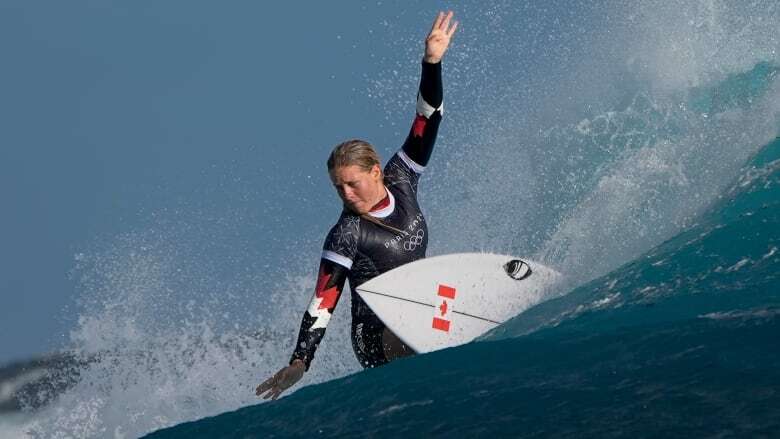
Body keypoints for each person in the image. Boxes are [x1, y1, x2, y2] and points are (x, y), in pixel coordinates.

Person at [256, 11, 458, 401]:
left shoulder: (402, 178)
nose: (346, 194)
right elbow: (323, 300)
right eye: (338, 187)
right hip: (376, 338)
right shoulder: (347, 233)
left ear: (377, 172)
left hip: (420, 314)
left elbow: (427, 118)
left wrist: (431, 63)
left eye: (353, 183)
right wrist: (300, 362)